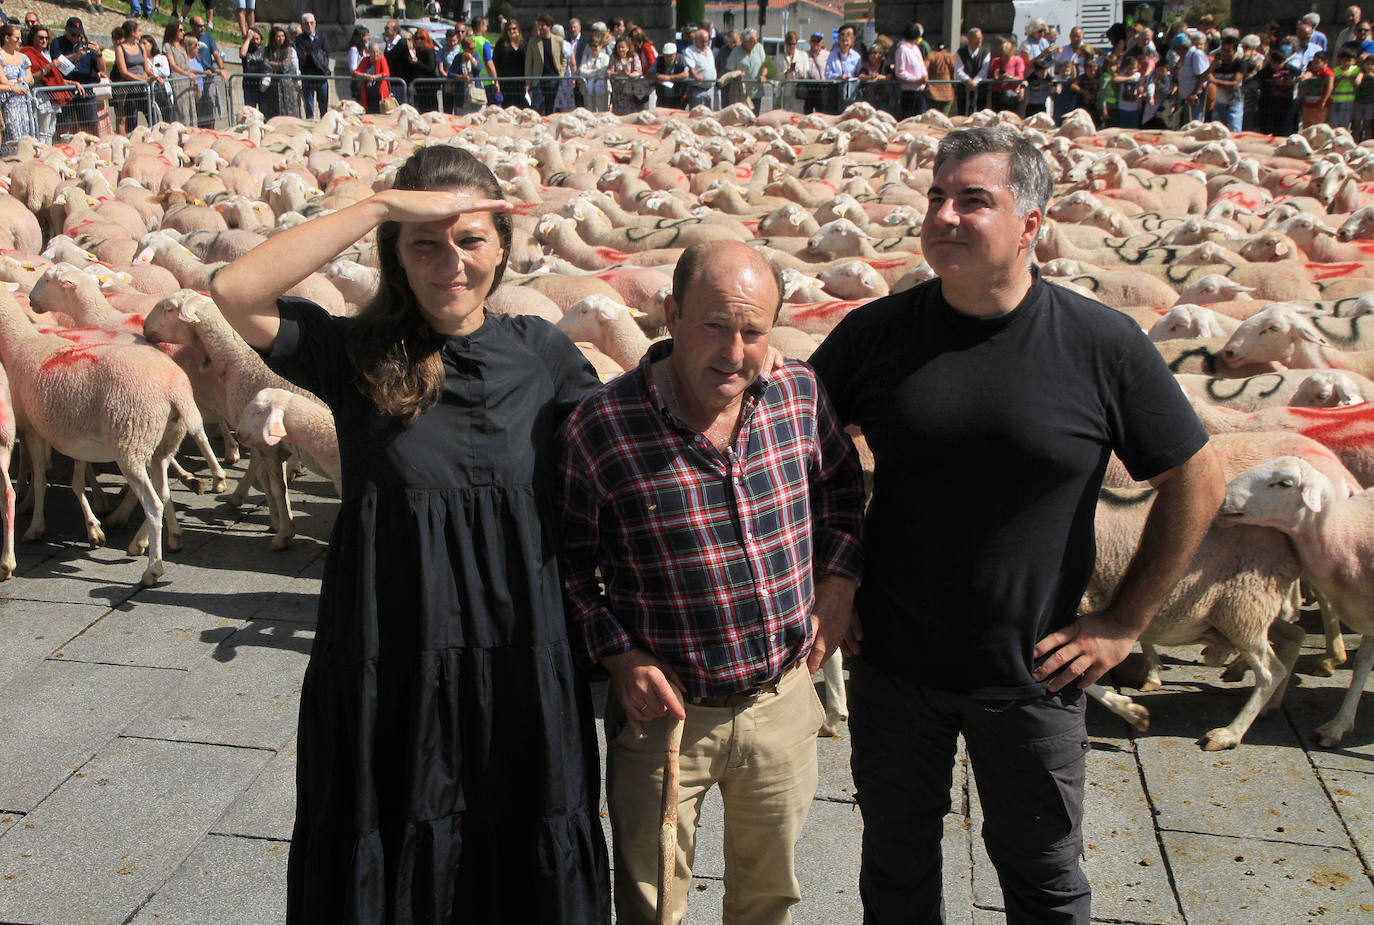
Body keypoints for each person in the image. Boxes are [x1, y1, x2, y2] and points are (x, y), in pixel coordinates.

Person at [808, 124, 1225, 925]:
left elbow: (1196, 477)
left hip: (1032, 677)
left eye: (973, 200)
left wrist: (1123, 621)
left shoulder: (1099, 342)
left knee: (1044, 884)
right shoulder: (878, 335)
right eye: (936, 197)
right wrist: (834, 577)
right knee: (894, 875)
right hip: (894, 667)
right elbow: (791, 449)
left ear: (1032, 223)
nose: (945, 216)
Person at [209, 142, 612, 925]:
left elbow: (618, 472)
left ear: (503, 246)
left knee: (516, 844)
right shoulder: (357, 354)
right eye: (425, 243)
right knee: (394, 838)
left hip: (518, 653)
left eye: (470, 240)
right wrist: (383, 206)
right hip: (391, 651)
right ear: (395, 255)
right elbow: (232, 288)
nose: (450, 262)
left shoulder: (543, 356)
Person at [559, 239, 864, 925]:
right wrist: (618, 652)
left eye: (754, 331)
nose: (735, 351)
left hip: (781, 699)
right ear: (670, 314)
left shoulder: (798, 396)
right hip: (668, 718)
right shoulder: (602, 427)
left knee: (768, 896)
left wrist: (839, 582)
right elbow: (566, 565)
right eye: (715, 325)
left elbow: (842, 490)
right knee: (652, 900)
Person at [22, 24, 75, 145]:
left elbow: (55, 78)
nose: (44, 40)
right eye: (40, 38)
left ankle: (48, 153)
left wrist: (72, 83)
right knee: (42, 131)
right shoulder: (27, 54)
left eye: (46, 38)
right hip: (40, 95)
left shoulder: (44, 54)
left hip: (51, 96)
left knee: (50, 130)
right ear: (33, 38)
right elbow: (32, 77)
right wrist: (50, 66)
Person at [51, 17, 100, 133]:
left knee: (90, 128)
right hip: (66, 91)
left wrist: (99, 54)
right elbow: (57, 62)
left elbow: (101, 69)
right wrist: (76, 55)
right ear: (66, 31)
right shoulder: (57, 42)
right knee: (63, 129)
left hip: (86, 91)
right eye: (73, 35)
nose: (77, 38)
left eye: (79, 35)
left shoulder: (86, 45)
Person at [112, 19, 151, 133]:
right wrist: (140, 80)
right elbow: (123, 71)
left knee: (151, 112)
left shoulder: (140, 47)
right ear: (133, 32)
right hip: (129, 87)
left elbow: (146, 68)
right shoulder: (120, 48)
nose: (140, 33)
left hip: (142, 85)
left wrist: (154, 76)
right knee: (131, 117)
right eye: (138, 30)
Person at [0, 24, 34, 154]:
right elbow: (3, 79)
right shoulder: (1, 56)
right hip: (7, 100)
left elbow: (29, 77)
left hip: (23, 99)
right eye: (17, 38)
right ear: (6, 38)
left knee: (26, 130)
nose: (20, 41)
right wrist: (13, 86)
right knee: (12, 131)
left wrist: (23, 81)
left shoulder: (23, 57)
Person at [523, 12, 563, 116]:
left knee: (550, 106)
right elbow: (529, 62)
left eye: (542, 25)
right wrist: (528, 80)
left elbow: (563, 58)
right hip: (538, 79)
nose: (540, 27)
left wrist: (561, 73)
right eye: (538, 25)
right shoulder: (533, 41)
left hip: (553, 78)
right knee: (536, 105)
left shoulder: (558, 40)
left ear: (549, 26)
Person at [294, 12, 329, 118]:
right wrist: (316, 55)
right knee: (309, 108)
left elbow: (327, 53)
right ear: (303, 25)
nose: (309, 25)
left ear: (315, 23)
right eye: (306, 23)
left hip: (321, 76)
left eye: (311, 23)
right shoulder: (300, 39)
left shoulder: (322, 37)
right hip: (308, 76)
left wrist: (310, 54)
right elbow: (301, 57)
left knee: (323, 108)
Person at [723, 26, 765, 112]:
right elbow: (729, 70)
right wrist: (737, 74)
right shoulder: (736, 52)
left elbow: (764, 65)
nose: (755, 42)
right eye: (752, 41)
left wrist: (763, 75)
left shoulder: (759, 48)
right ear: (745, 41)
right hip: (741, 93)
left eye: (756, 40)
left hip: (756, 91)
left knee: (755, 118)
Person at [263, 24, 300, 119]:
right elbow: (265, 63)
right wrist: (277, 65)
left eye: (282, 36)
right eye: (278, 36)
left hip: (286, 84)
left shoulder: (288, 50)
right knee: (273, 112)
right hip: (272, 86)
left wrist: (273, 64)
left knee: (288, 110)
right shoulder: (268, 50)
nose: (281, 38)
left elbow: (285, 66)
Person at [823, 24, 861, 113]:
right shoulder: (833, 55)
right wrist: (839, 76)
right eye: (842, 40)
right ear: (839, 41)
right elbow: (828, 73)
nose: (845, 43)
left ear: (851, 42)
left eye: (847, 41)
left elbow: (859, 73)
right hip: (835, 90)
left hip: (851, 90)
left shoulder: (856, 56)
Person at [1210, 36, 1245, 131]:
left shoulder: (1239, 64)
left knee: (1234, 131)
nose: (1224, 53)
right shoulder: (1217, 64)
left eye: (1228, 51)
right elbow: (1205, 77)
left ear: (1234, 51)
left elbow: (1234, 84)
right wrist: (1211, 68)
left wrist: (1215, 81)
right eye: (1223, 50)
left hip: (1234, 104)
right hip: (1219, 104)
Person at [954, 27, 990, 113]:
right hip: (964, 88)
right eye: (977, 38)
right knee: (963, 114)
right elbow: (958, 70)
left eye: (981, 38)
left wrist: (975, 82)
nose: (980, 40)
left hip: (980, 89)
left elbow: (984, 70)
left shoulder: (985, 52)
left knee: (979, 114)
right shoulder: (960, 52)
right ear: (969, 39)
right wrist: (968, 81)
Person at [894, 23, 927, 117]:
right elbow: (900, 72)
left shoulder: (916, 48)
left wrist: (924, 75)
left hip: (920, 89)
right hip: (909, 91)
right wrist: (915, 80)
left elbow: (921, 64)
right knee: (909, 118)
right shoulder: (902, 49)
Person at [679, 26, 714, 109]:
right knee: (698, 116)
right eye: (702, 41)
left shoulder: (708, 49)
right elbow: (691, 67)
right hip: (698, 89)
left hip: (711, 88)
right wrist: (696, 76)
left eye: (706, 41)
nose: (705, 44)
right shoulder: (689, 51)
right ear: (696, 40)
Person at [491, 17, 523, 107]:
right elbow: (495, 63)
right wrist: (495, 81)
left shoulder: (523, 43)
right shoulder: (500, 44)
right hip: (505, 82)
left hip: (520, 82)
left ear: (518, 29)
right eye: (509, 29)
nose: (512, 31)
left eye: (514, 28)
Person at [606, 34, 642, 114]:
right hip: (618, 93)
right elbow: (609, 72)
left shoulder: (634, 57)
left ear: (628, 48)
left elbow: (638, 71)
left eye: (623, 47)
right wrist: (619, 73)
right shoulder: (614, 57)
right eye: (619, 47)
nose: (620, 50)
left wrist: (629, 75)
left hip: (631, 92)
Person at [988, 38, 1024, 114]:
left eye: (1006, 56)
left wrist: (1008, 77)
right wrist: (995, 76)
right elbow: (989, 75)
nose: (1003, 58)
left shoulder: (1018, 60)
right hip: (997, 94)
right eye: (1002, 55)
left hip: (1011, 95)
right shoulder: (996, 61)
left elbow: (1020, 79)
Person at [353, 39, 390, 113]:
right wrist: (365, 76)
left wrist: (374, 77)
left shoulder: (381, 59)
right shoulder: (365, 60)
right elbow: (355, 73)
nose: (376, 54)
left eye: (377, 51)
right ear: (369, 52)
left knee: (381, 112)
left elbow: (386, 73)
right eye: (373, 52)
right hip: (368, 92)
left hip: (379, 92)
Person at [1301, 49, 1335, 127]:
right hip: (1308, 103)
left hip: (1320, 104)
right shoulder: (1310, 70)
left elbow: (1330, 87)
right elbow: (1308, 74)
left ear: (1325, 62)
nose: (1314, 64)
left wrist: (1324, 100)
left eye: (1317, 62)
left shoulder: (1328, 72)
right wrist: (1304, 76)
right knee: (1306, 125)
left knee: (1317, 126)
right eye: (1313, 62)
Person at [1331, 46, 1361, 129]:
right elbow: (1332, 86)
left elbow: (1357, 86)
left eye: (1349, 60)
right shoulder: (1335, 70)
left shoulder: (1356, 70)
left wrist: (1350, 77)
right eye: (1344, 60)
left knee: (1345, 124)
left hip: (1349, 101)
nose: (1347, 63)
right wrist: (1341, 77)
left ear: (1353, 61)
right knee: (1334, 124)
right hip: (1336, 100)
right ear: (1340, 61)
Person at [652, 40, 688, 109]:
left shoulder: (681, 59)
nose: (668, 58)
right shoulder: (659, 60)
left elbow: (686, 74)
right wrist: (657, 77)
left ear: (675, 54)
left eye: (671, 56)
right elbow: (649, 73)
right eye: (666, 56)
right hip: (662, 97)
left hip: (677, 97)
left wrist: (669, 78)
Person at [924, 39, 956, 114]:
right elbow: (956, 72)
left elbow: (924, 69)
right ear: (948, 48)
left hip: (932, 92)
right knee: (944, 119)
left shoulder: (931, 56)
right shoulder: (951, 57)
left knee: (931, 117)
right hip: (947, 93)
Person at [410, 27, 438, 112]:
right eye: (417, 38)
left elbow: (431, 68)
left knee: (430, 110)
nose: (419, 41)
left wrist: (417, 62)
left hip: (428, 87)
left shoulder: (429, 51)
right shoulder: (417, 51)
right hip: (419, 86)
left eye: (422, 38)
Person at [239, 27, 265, 112]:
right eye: (253, 39)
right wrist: (248, 38)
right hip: (249, 86)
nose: (255, 41)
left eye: (257, 39)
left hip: (262, 86)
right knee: (250, 112)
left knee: (264, 112)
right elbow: (242, 54)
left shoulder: (265, 50)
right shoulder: (246, 49)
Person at [344, 25, 368, 102]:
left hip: (366, 81)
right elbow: (353, 68)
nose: (368, 38)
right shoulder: (354, 50)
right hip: (358, 82)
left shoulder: (364, 49)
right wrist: (363, 75)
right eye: (367, 35)